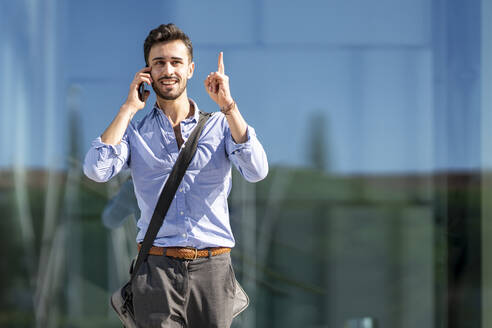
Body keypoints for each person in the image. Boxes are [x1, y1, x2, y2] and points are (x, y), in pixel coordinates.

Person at [83, 23, 268, 327]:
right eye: (159, 63)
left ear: (190, 69)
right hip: (156, 270)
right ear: (148, 72)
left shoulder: (221, 126)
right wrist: (129, 108)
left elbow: (257, 170)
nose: (168, 70)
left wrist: (229, 106)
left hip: (213, 268)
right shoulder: (135, 132)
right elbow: (96, 169)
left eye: (176, 62)